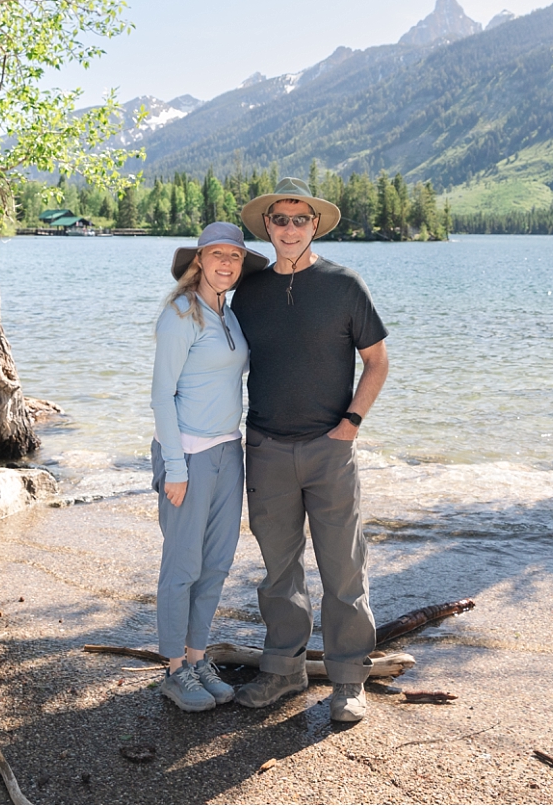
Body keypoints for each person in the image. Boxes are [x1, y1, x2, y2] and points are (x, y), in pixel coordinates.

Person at [229, 178, 389, 724]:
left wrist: (350, 424)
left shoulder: (344, 285)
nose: (290, 228)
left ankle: (348, 678)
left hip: (330, 448)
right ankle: (283, 668)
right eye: (281, 219)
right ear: (267, 227)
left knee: (344, 565)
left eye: (301, 219)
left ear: (314, 225)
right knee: (278, 569)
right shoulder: (248, 292)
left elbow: (378, 361)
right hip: (267, 446)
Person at [150, 222, 268, 712]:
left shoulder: (229, 315)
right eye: (217, 255)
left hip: (227, 450)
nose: (226, 264)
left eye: (235, 257)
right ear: (199, 260)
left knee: (216, 563)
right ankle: (175, 670)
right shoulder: (181, 315)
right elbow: (161, 395)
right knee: (182, 566)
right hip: (189, 455)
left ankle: (198, 659)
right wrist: (174, 466)